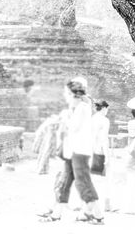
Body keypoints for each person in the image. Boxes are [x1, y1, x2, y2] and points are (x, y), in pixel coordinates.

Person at [39, 77, 104, 223]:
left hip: (80, 152)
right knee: (65, 182)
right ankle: (56, 214)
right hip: (72, 151)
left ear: (72, 94)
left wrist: (63, 118)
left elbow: (74, 127)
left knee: (83, 183)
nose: (65, 95)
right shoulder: (76, 108)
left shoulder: (82, 108)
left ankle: (99, 216)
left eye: (66, 93)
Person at [91, 99, 114, 212]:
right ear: (104, 108)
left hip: (91, 150)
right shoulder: (104, 120)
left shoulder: (92, 119)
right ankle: (107, 204)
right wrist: (107, 156)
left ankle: (88, 202)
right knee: (107, 178)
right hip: (100, 151)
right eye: (107, 109)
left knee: (93, 178)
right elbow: (104, 139)